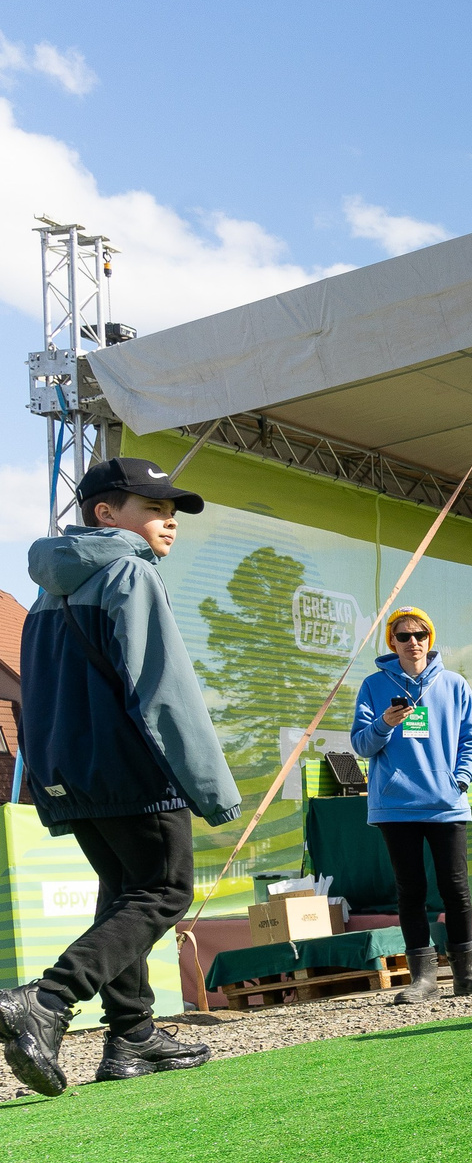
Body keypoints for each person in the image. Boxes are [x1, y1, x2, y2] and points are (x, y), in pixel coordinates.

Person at [0, 458, 240, 1095]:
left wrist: (51, 779)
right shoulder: (130, 572)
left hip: (73, 772)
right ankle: (48, 1000)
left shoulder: (51, 584)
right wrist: (210, 785)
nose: (170, 521)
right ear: (106, 514)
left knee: (124, 891)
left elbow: (38, 693)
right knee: (164, 890)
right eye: (154, 508)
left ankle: (131, 1035)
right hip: (134, 767)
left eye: (172, 510)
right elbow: (164, 690)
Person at [350, 607, 472, 1004]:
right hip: (396, 806)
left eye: (420, 635)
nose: (413, 642)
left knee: (456, 889)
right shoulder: (373, 686)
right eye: (404, 636)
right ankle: (423, 980)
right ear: (391, 643)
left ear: (430, 640)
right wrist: (385, 723)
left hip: (446, 803)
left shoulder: (455, 684)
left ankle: (467, 973)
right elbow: (361, 745)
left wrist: (459, 780)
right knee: (410, 892)